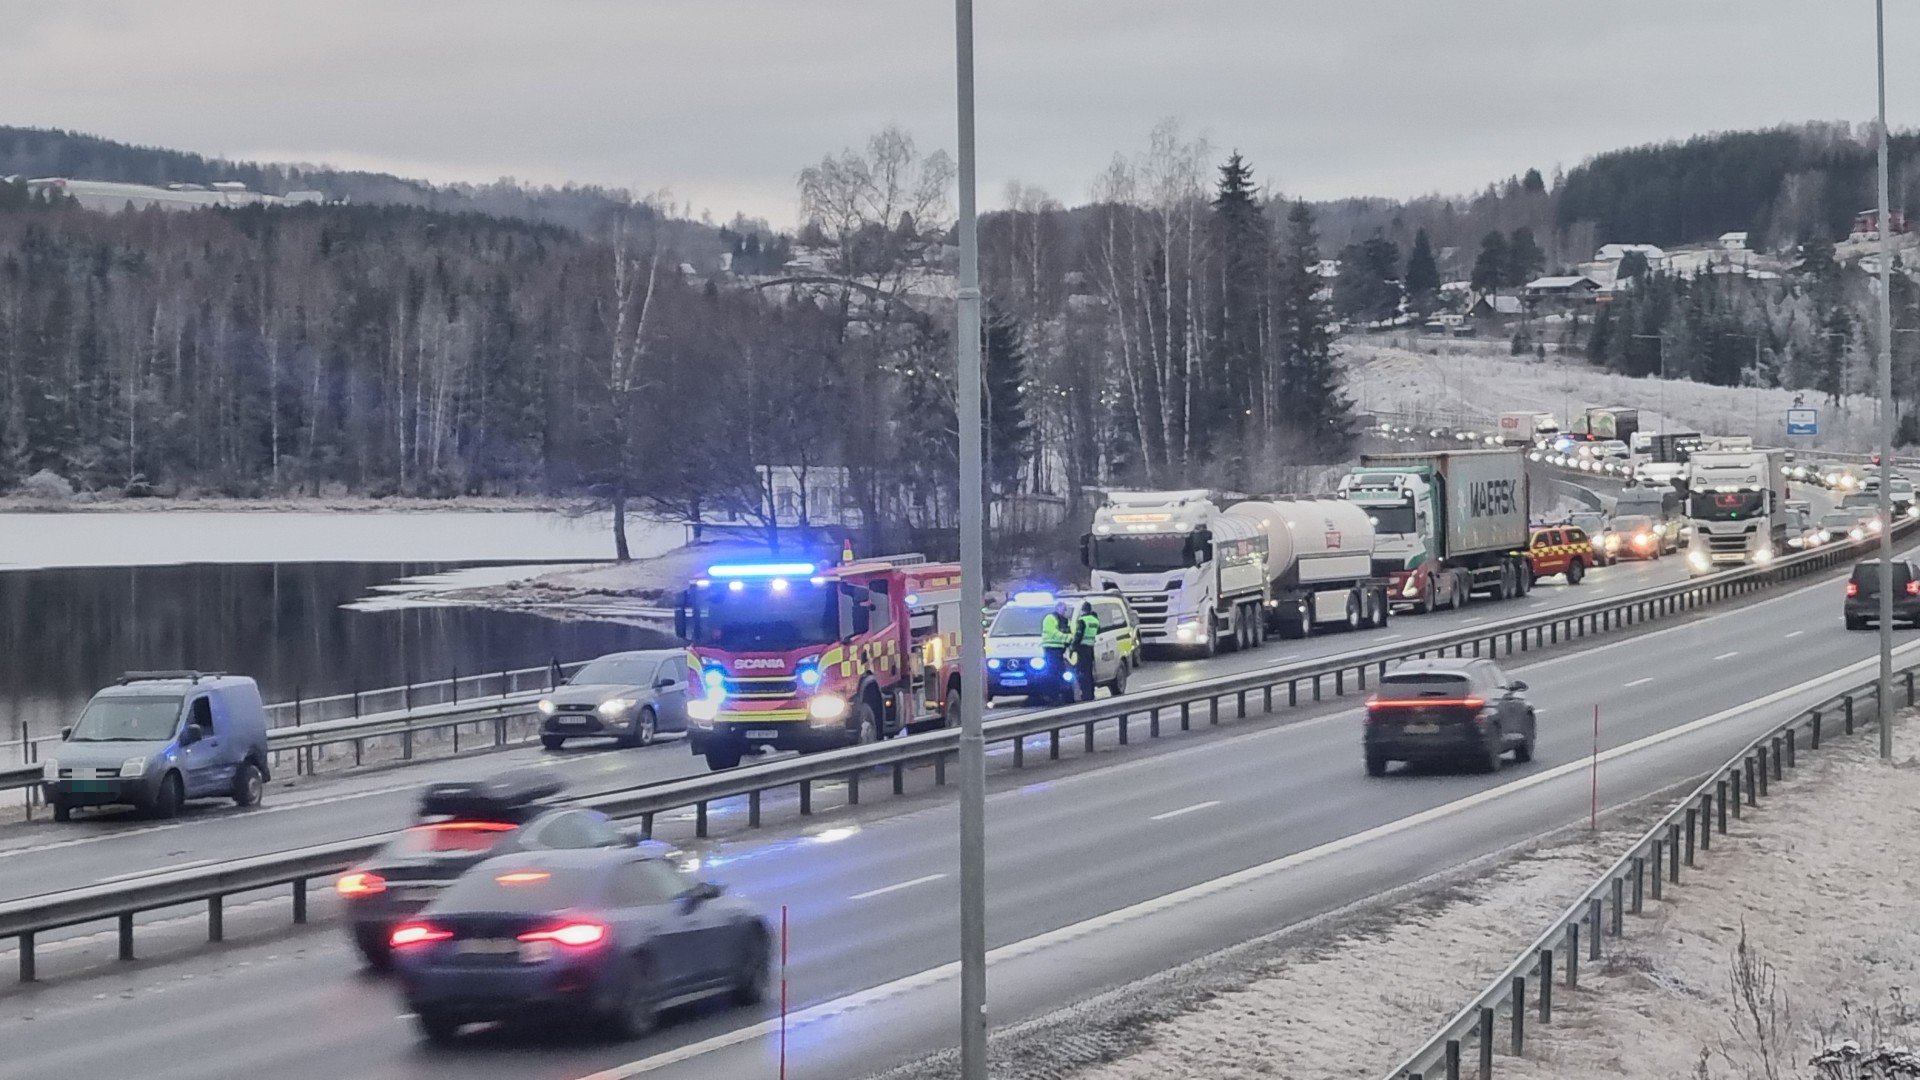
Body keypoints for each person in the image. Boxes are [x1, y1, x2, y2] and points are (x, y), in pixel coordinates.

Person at [1039, 600, 1074, 699]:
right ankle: (1053, 694)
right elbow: (1053, 632)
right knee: (1053, 672)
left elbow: (1069, 631)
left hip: (1060, 650)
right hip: (1051, 649)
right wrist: (1066, 638)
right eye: (1063, 609)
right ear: (1058, 608)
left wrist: (1070, 638)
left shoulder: (1064, 620)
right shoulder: (1050, 618)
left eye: (1065, 610)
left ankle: (1060, 693)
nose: (1064, 611)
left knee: (1060, 672)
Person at [1073, 601, 1102, 701]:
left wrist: (1073, 646)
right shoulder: (1095, 620)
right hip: (1090, 648)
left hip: (1082, 648)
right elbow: (1098, 631)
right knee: (1089, 672)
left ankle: (1085, 694)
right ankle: (1090, 693)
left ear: (1083, 610)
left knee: (1082, 672)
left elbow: (1078, 635)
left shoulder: (1082, 620)